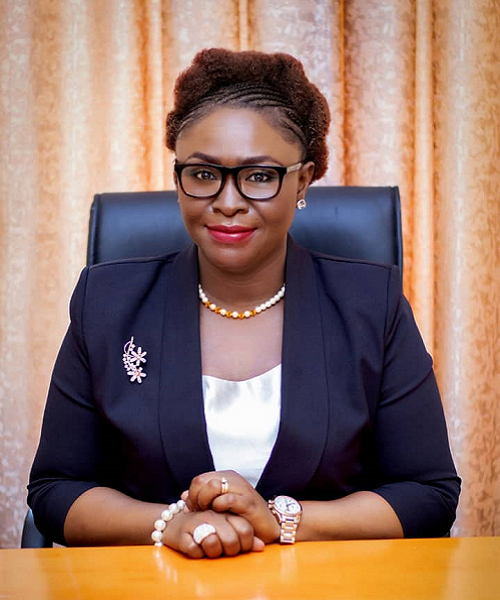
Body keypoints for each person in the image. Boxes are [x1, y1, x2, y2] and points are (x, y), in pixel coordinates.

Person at [28, 48, 460, 558]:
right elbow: (56, 489)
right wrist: (169, 525)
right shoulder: (106, 303)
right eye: (202, 174)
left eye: (258, 176)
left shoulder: (373, 305)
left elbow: (428, 494)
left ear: (302, 180)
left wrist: (280, 520)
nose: (228, 202)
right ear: (178, 178)